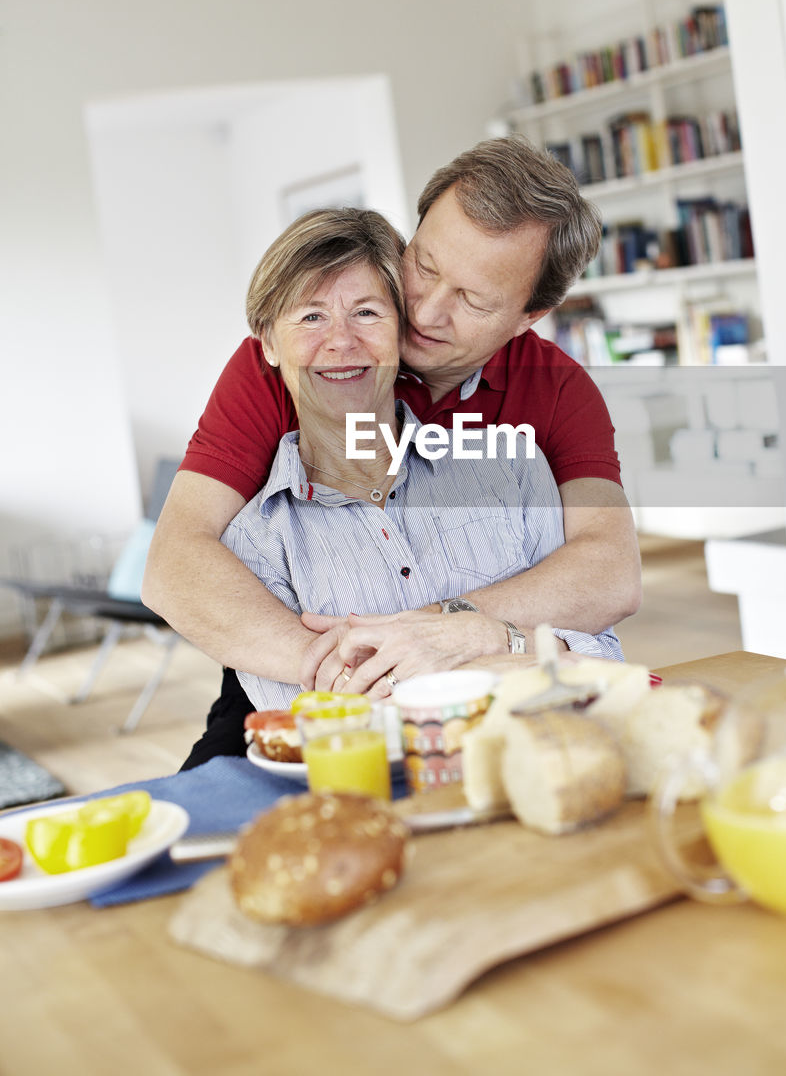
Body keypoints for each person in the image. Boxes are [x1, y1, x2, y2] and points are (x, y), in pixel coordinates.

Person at [142, 136, 641, 765]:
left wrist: (450, 631)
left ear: (528, 315)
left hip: (490, 670)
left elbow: (611, 571)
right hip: (298, 665)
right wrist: (355, 662)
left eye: (473, 299)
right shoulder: (295, 361)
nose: (426, 312)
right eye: (425, 267)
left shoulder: (557, 393)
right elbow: (176, 561)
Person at [223, 207, 622, 713]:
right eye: (311, 316)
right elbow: (312, 726)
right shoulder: (255, 539)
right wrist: (507, 646)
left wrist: (466, 636)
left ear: (400, 332)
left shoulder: (514, 468)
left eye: (367, 313)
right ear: (269, 345)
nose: (341, 341)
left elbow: (603, 664)